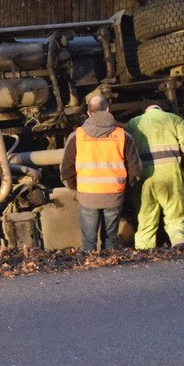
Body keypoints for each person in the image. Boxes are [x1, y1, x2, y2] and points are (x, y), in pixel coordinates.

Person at [60, 95, 142, 251]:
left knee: (88, 242)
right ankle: (109, 267)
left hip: (87, 196)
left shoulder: (77, 136)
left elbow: (66, 169)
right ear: (107, 110)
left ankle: (89, 267)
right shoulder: (123, 136)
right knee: (110, 239)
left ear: (89, 113)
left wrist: (75, 190)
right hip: (114, 195)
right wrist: (123, 188)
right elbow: (135, 169)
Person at [125, 104, 184, 249]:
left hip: (144, 178)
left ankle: (144, 250)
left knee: (145, 219)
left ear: (146, 111)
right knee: (175, 217)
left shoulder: (133, 123)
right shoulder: (175, 119)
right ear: (160, 110)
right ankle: (180, 242)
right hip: (171, 174)